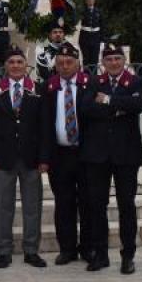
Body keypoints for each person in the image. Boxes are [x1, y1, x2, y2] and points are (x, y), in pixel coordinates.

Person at [80, 37, 142, 274]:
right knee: (97, 205)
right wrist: (119, 108)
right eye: (109, 59)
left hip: (126, 154)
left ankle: (128, 255)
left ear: (124, 60)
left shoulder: (135, 80)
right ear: (103, 62)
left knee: (126, 204)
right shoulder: (94, 82)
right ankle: (100, 254)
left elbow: (138, 105)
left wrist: (108, 101)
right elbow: (86, 108)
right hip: (97, 154)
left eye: (117, 58)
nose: (114, 62)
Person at [0, 46, 49, 269]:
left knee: (32, 207)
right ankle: (3, 251)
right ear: (5, 66)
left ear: (25, 65)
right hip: (3, 159)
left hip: (30, 159)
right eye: (11, 62)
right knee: (3, 206)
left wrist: (44, 158)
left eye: (19, 62)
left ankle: (31, 250)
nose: (16, 66)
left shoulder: (37, 90)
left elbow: (44, 127)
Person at [43, 41, 93, 266]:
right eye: (60, 62)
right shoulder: (48, 87)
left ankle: (88, 247)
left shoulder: (90, 84)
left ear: (78, 63)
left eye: (69, 62)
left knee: (87, 202)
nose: (64, 66)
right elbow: (42, 125)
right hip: (59, 155)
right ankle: (67, 249)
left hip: (85, 154)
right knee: (63, 203)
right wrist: (43, 157)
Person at [79, 0, 104, 70]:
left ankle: (94, 79)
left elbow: (102, 25)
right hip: (85, 36)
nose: (90, 1)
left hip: (95, 37)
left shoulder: (99, 11)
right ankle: (86, 78)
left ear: (94, 0)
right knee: (86, 59)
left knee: (94, 60)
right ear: (86, 1)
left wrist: (102, 39)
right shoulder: (82, 11)